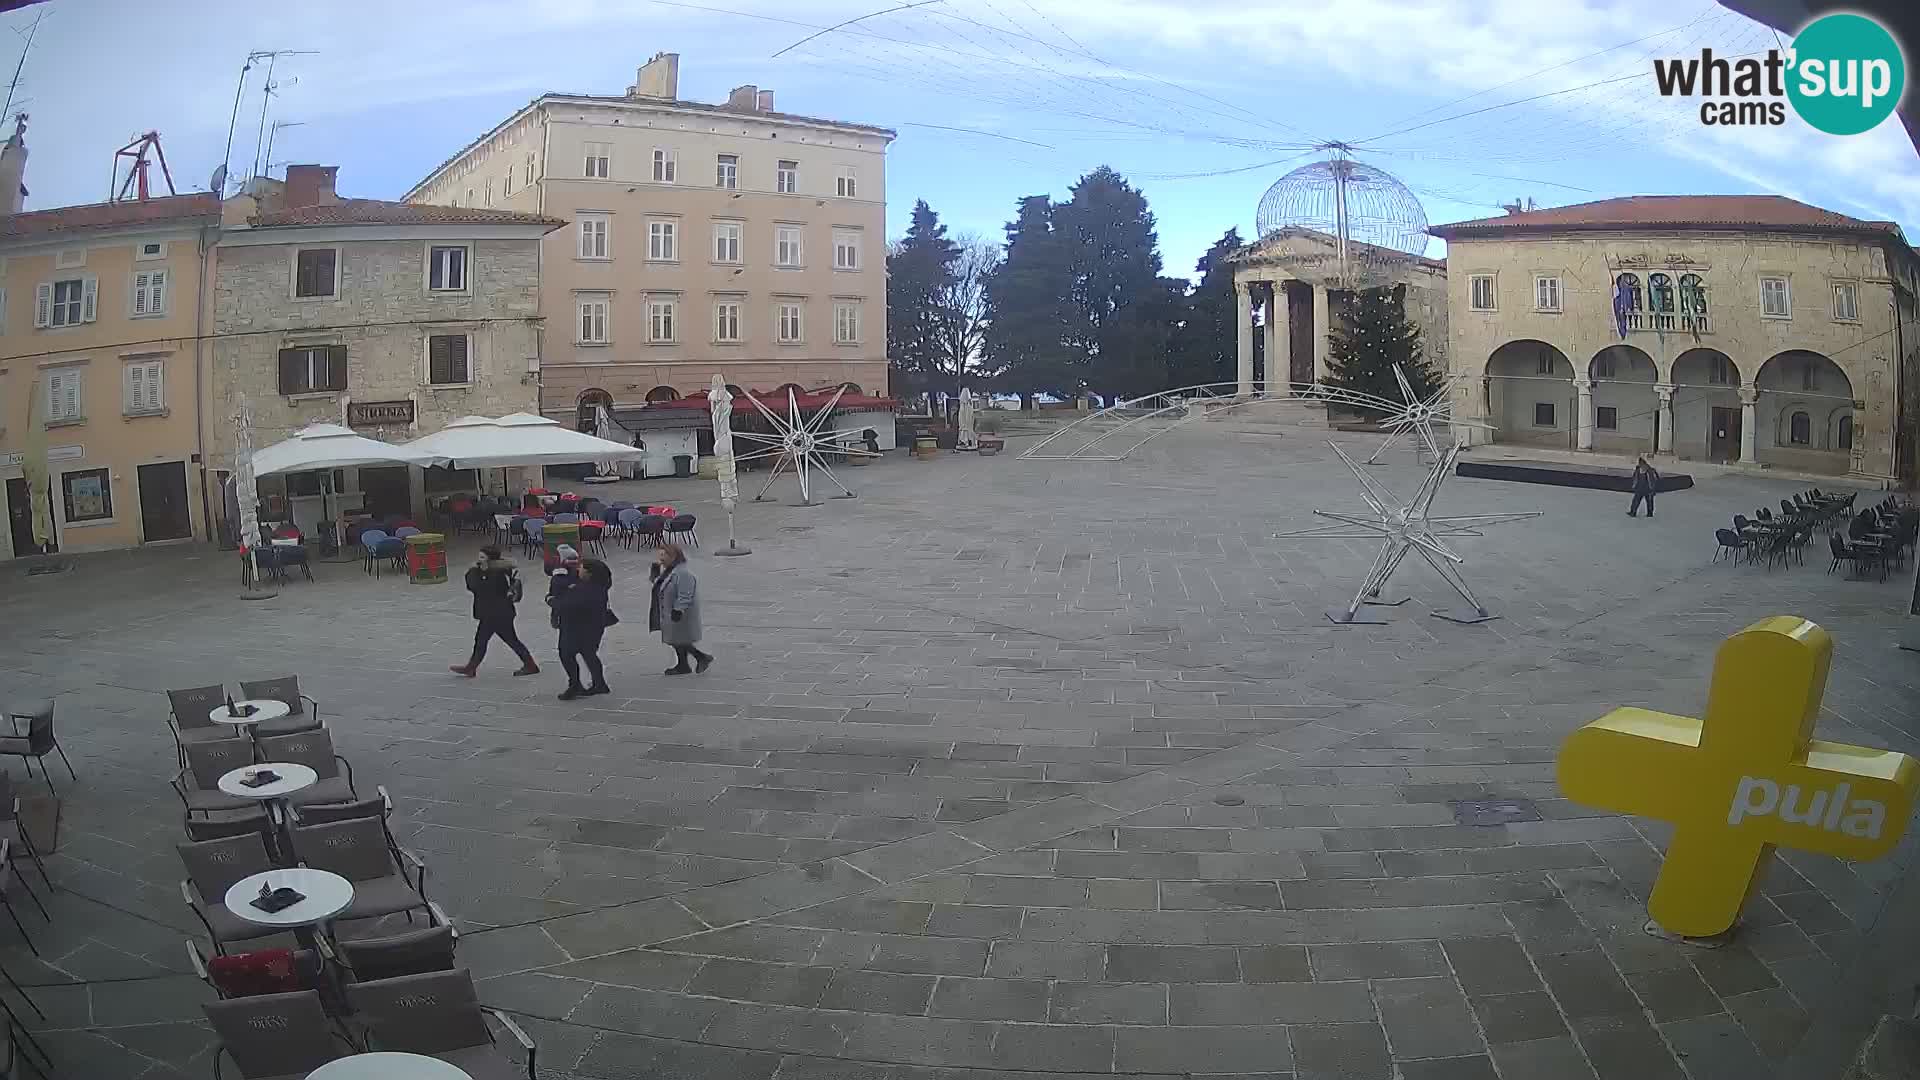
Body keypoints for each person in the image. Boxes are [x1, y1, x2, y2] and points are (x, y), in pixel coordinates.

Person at [451, 545, 539, 677]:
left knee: (488, 640)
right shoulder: (487, 572)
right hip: (495, 613)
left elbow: (478, 587)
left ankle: (471, 667)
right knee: (499, 640)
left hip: (497, 614)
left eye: (482, 557)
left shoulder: (498, 574)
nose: (478, 560)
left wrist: (478, 572)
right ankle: (530, 664)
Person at [552, 556, 615, 700]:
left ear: (589, 573)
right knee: (589, 653)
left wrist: (551, 600)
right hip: (593, 627)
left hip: (575, 628)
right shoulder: (599, 586)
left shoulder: (584, 590)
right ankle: (599, 684)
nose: (578, 569)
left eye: (581, 568)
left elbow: (566, 605)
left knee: (567, 654)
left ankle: (575, 685)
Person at [649, 543, 713, 675]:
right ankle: (685, 664)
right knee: (676, 639)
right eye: (660, 554)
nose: (661, 558)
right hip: (669, 611)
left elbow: (686, 593)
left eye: (664, 555)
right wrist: (655, 575)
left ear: (674, 556)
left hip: (680, 613)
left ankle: (700, 658)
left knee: (679, 639)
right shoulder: (669, 570)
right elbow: (661, 586)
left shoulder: (682, 573)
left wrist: (679, 609)